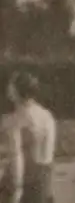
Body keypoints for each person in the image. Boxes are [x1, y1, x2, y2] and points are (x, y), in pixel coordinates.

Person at [0, 71, 56, 203]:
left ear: (15, 91)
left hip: (25, 181)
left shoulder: (15, 120)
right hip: (44, 182)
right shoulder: (46, 115)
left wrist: (16, 190)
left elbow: (16, 157)